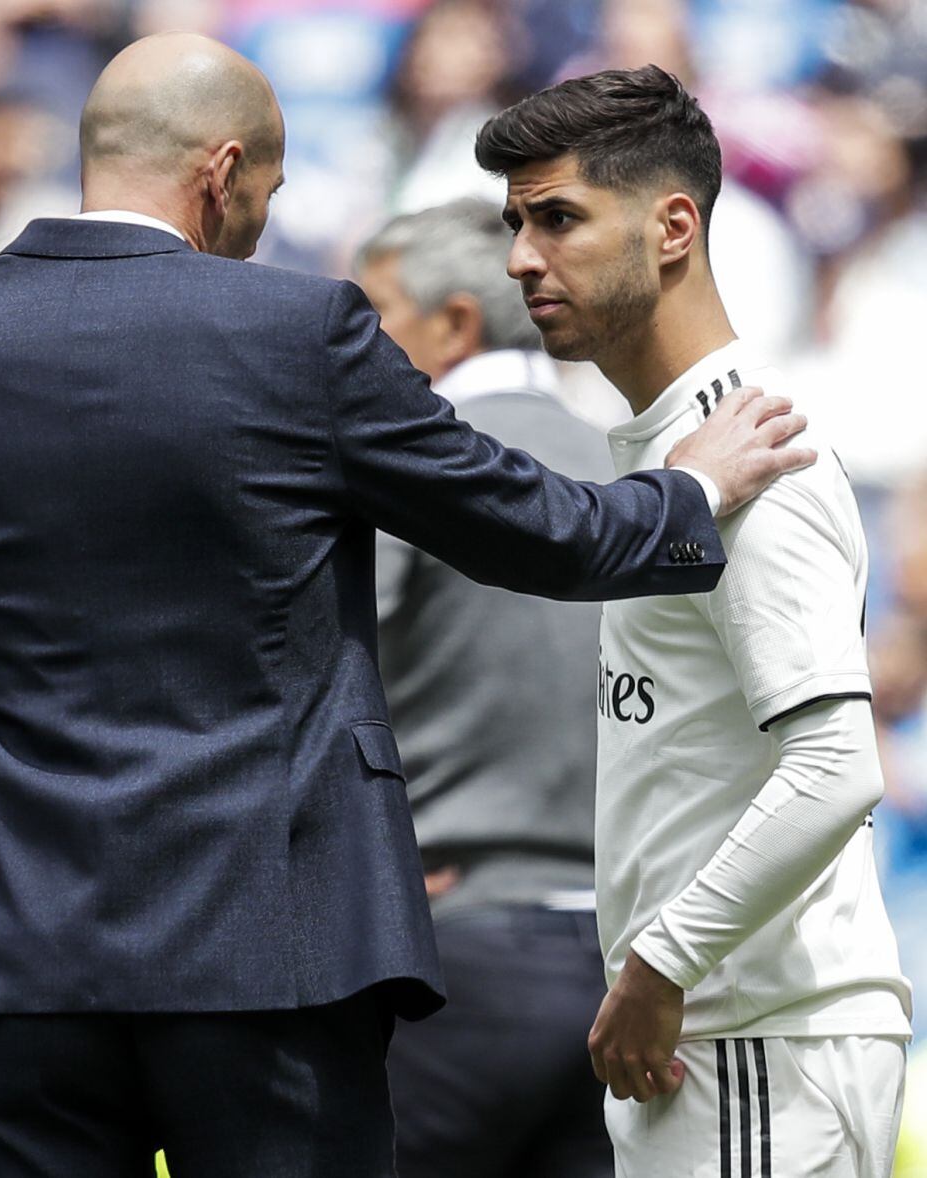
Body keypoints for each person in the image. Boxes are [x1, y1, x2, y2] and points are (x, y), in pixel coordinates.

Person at [0, 33, 811, 1178]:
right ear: (220, 172)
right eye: (264, 192)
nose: (260, 221)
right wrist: (694, 483)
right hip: (271, 933)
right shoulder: (295, 333)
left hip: (13, 934)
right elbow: (543, 532)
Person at [475, 65, 912, 1177]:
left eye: (559, 217)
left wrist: (658, 965)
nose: (523, 257)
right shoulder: (676, 453)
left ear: (674, 226)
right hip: (713, 1038)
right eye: (515, 223)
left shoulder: (757, 454)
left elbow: (837, 763)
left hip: (763, 1036)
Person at [356, 198, 613, 1177]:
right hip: (619, 967)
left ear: (455, 322)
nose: (355, 343)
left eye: (373, 313)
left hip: (454, 951)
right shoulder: (626, 471)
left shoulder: (407, 464)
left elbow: (309, 672)